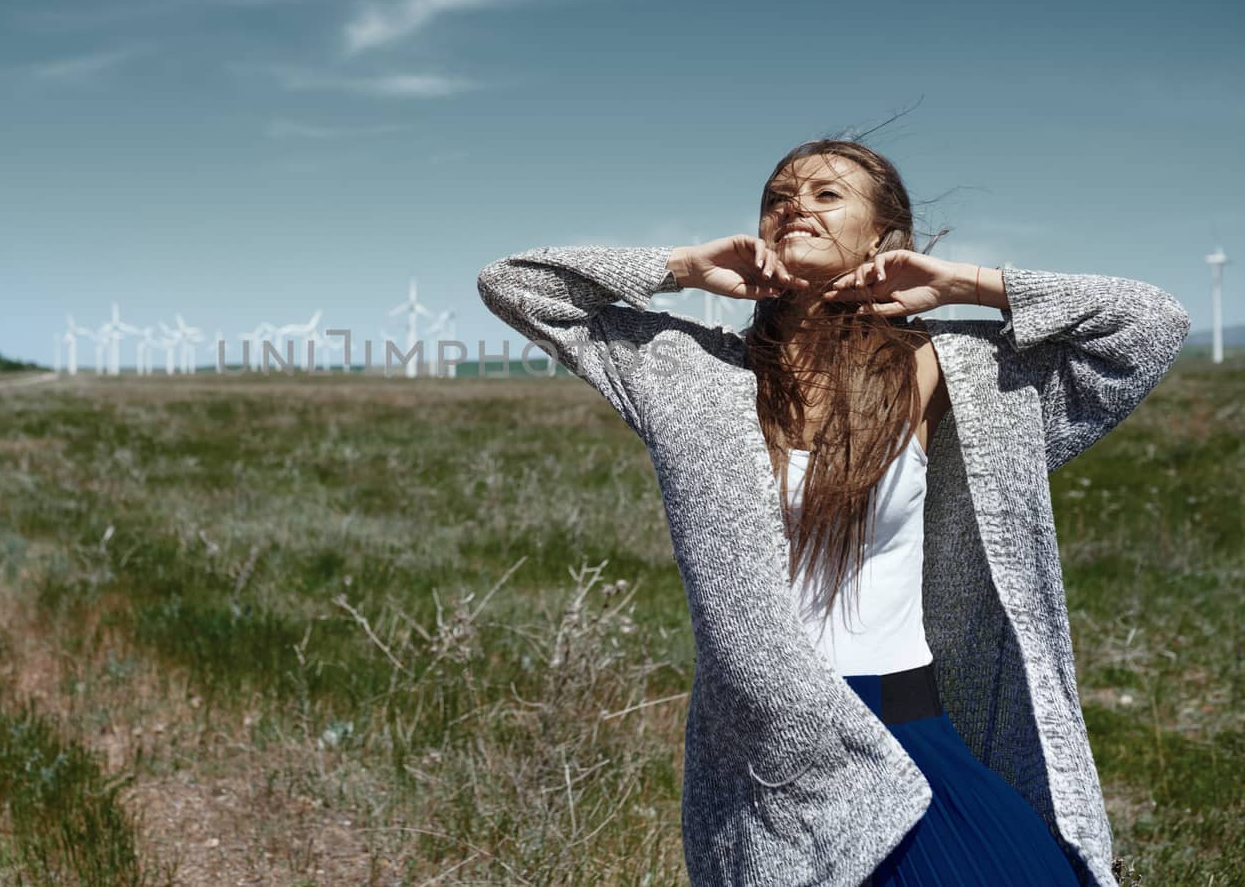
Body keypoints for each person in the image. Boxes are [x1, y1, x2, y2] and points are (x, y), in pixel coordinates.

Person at [476, 138, 1190, 886]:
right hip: (773, 761)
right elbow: (516, 285)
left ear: (883, 234)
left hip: (912, 731)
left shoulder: (945, 371)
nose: (795, 207)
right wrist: (682, 269)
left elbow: (1150, 323)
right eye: (780, 195)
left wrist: (965, 285)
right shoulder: (687, 369)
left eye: (826, 195)